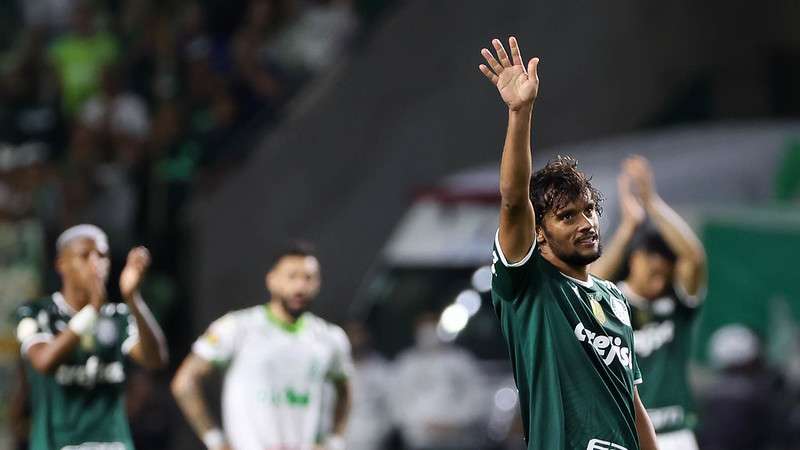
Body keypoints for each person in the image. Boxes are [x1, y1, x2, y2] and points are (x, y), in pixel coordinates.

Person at [478, 37, 659, 450]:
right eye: (567, 216)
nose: (587, 223)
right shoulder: (527, 284)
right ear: (539, 230)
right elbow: (512, 198)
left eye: (590, 210)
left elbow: (630, 401)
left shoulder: (613, 297)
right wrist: (519, 113)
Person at [171, 242, 353, 450]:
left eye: (308, 278)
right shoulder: (237, 328)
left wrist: (334, 441)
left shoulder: (330, 338)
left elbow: (346, 392)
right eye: (292, 276)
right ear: (272, 280)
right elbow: (185, 382)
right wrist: (216, 441)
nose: (300, 287)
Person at [14, 223, 168, 449]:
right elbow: (44, 361)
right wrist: (92, 311)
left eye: (103, 255)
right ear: (62, 264)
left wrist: (133, 298)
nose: (96, 263)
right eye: (85, 256)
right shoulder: (36, 313)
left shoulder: (118, 317)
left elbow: (156, 360)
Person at [592, 156, 707, 450]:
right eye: (654, 272)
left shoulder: (677, 306)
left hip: (674, 435)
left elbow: (693, 257)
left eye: (665, 276)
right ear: (636, 259)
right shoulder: (613, 302)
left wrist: (651, 202)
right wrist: (629, 228)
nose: (659, 283)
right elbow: (583, 285)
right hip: (625, 437)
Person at [388, 312, 486, 450]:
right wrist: (421, 424)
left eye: (432, 327)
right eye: (423, 329)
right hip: (419, 440)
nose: (428, 333)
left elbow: (476, 396)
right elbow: (396, 403)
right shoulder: (405, 363)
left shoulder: (461, 360)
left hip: (457, 438)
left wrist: (455, 422)